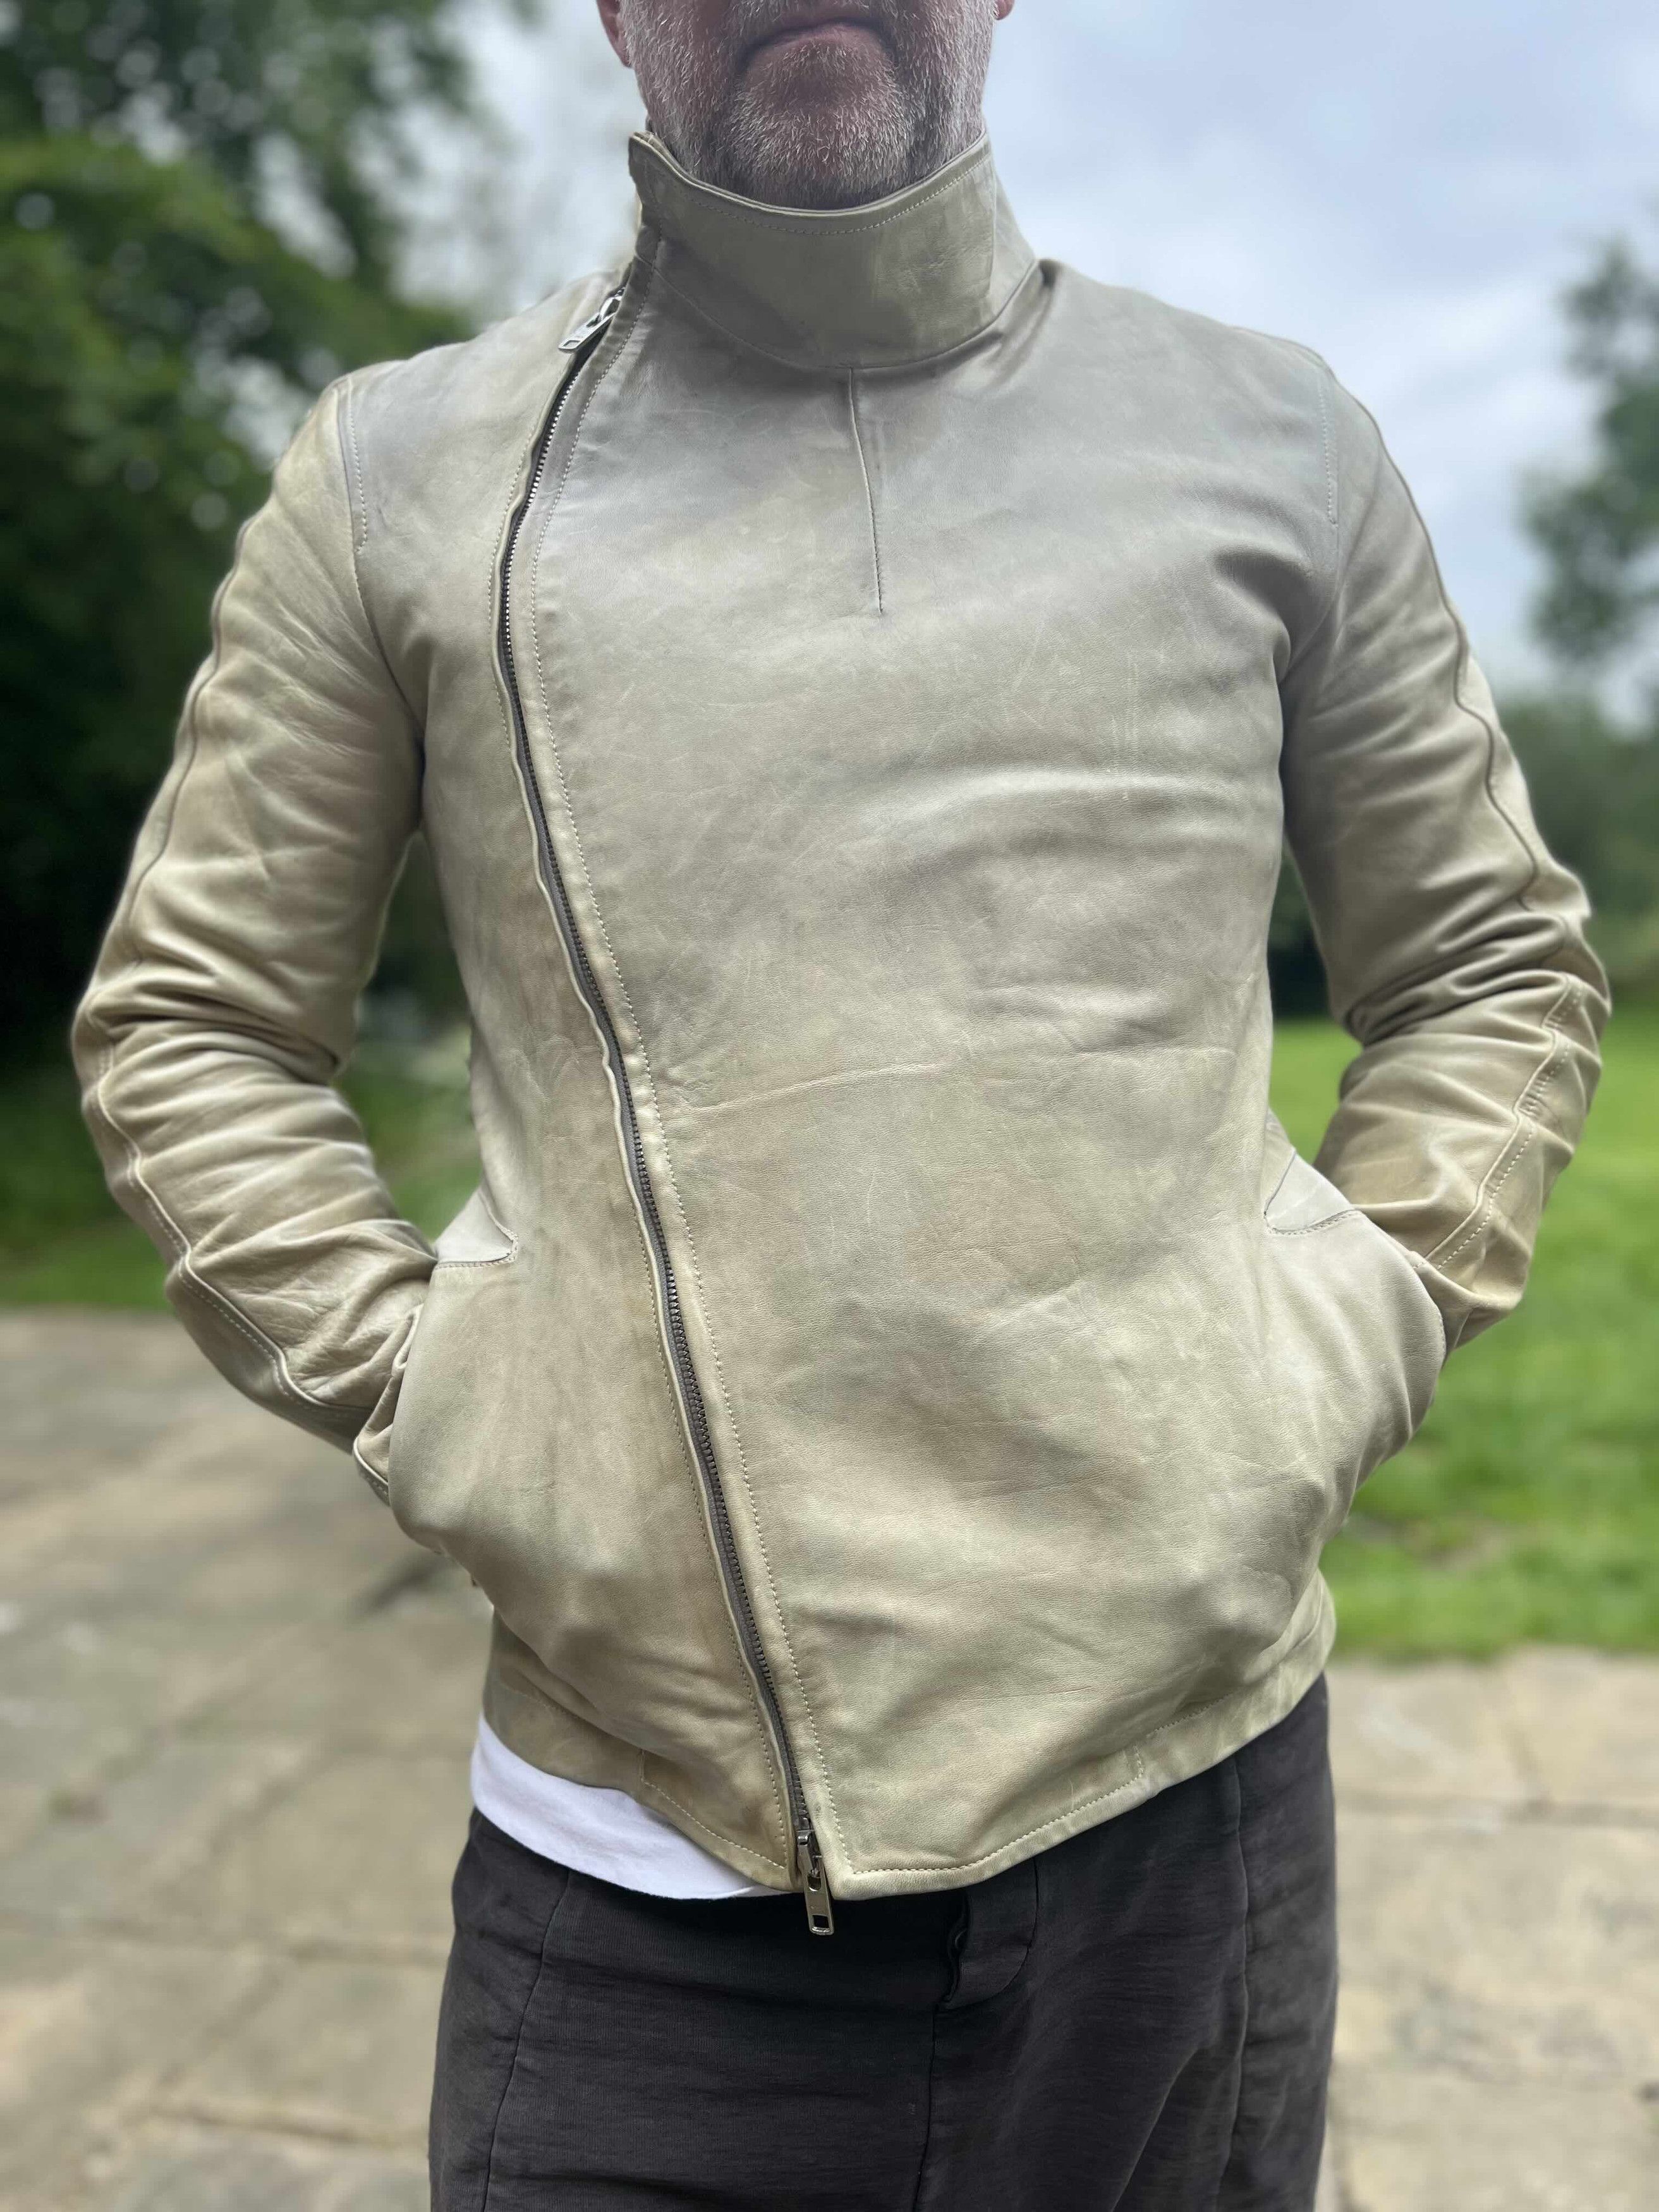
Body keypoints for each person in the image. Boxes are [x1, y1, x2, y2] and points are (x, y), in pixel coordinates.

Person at [75, 0, 1608, 2203]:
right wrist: (447, 1395)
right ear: (614, 10)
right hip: (643, 1896)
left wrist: (1350, 1326)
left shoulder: (1273, 438)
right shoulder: (398, 475)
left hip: (1198, 1822)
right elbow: (194, 1020)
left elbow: (1485, 966)